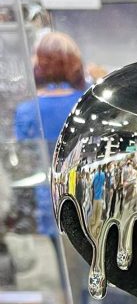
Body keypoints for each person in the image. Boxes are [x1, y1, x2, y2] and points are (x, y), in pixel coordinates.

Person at [14, 32, 87, 240]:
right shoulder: (87, 102)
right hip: (87, 195)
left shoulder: (27, 110)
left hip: (48, 202)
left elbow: (24, 157)